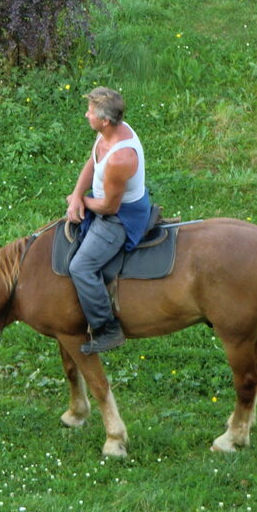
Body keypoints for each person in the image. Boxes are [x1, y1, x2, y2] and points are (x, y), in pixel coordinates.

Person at [65, 87, 152, 354]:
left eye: (90, 112)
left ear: (104, 120)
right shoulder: (108, 133)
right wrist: (78, 195)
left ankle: (107, 329)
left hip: (120, 217)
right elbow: (92, 163)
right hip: (103, 202)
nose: (85, 115)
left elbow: (108, 207)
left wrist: (81, 202)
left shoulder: (120, 158)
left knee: (80, 267)